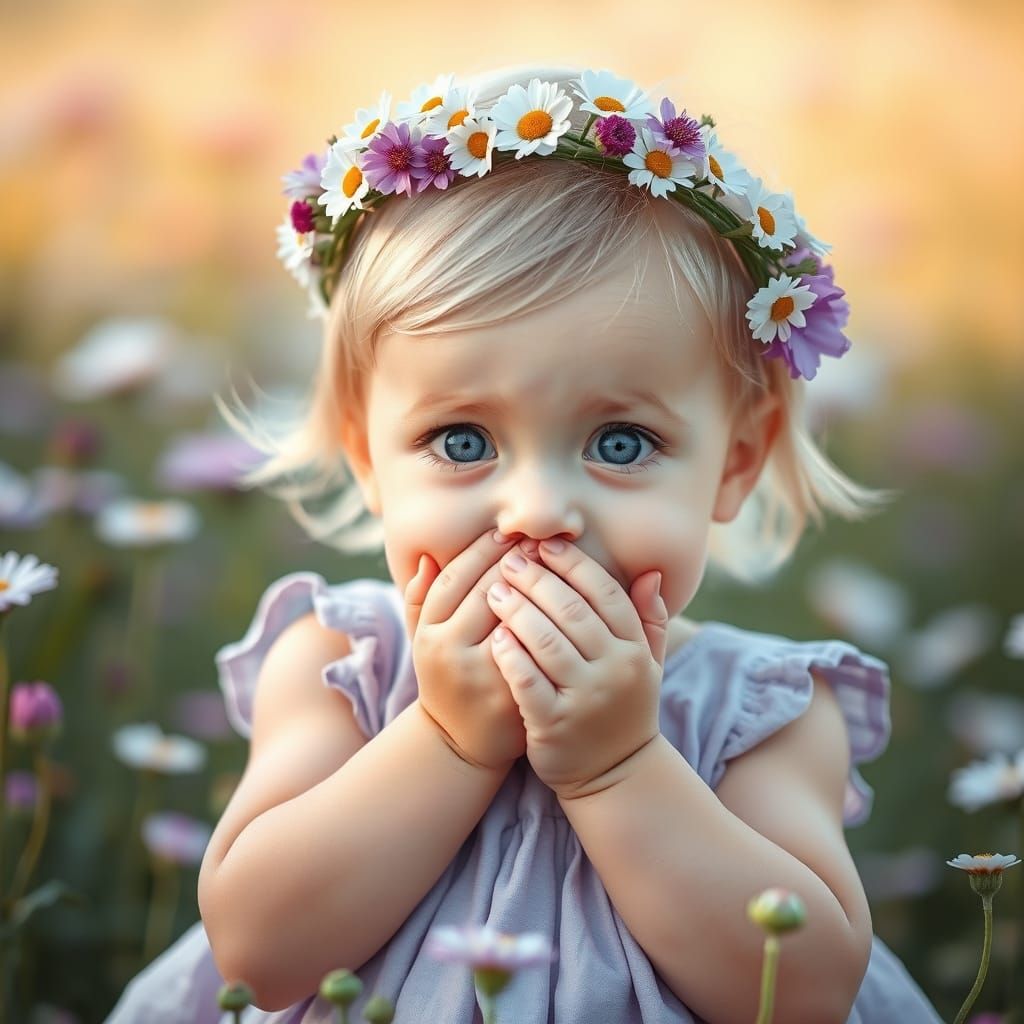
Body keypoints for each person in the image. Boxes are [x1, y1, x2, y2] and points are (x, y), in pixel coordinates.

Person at [105, 64, 944, 1023]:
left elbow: (803, 996)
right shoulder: (343, 666)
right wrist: (444, 740)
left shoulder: (765, 716)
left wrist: (618, 767)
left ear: (733, 465)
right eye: (462, 442)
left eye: (621, 444)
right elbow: (256, 952)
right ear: (367, 458)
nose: (538, 510)